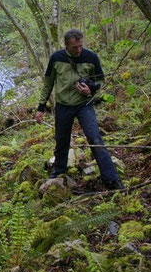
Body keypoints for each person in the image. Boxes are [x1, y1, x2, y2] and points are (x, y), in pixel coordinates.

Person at [35, 29, 125, 190]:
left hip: (84, 105)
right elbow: (48, 84)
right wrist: (40, 108)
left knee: (95, 139)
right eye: (75, 47)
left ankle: (112, 179)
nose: (79, 50)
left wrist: (91, 91)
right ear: (66, 46)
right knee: (61, 140)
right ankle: (59, 171)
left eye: (81, 46)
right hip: (63, 106)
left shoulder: (91, 57)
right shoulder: (56, 58)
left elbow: (102, 82)